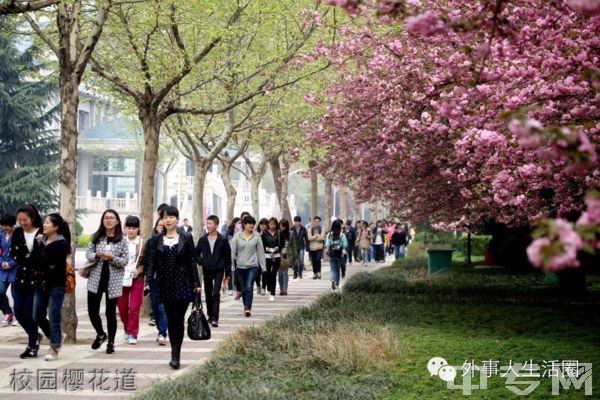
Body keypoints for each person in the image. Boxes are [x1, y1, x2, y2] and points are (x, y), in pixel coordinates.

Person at [145, 206, 201, 369]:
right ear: (161, 220)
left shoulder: (186, 237)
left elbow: (192, 261)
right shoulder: (156, 240)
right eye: (165, 217)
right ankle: (173, 352)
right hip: (165, 284)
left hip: (183, 284)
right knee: (171, 319)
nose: (168, 220)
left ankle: (176, 354)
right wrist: (148, 282)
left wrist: (196, 284)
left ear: (177, 219)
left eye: (171, 217)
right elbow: (152, 263)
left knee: (179, 319)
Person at [85, 209, 129, 355]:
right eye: (106, 218)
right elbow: (88, 254)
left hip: (113, 281)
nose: (108, 220)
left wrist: (112, 258)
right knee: (92, 311)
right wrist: (97, 255)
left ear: (117, 221)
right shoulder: (96, 237)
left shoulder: (122, 240)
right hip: (95, 279)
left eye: (111, 218)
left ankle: (111, 342)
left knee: (110, 313)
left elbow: (124, 261)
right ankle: (100, 334)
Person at [31, 213, 70, 361]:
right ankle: (58, 336)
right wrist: (39, 249)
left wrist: (40, 258)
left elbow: (48, 263)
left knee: (54, 316)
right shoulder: (41, 241)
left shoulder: (61, 243)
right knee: (37, 315)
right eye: (44, 222)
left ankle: (54, 347)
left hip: (56, 285)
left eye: (47, 223)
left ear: (56, 227)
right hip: (40, 284)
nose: (44, 225)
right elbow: (33, 260)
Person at [10, 204, 45, 358]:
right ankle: (35, 336)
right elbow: (13, 252)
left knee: (30, 313)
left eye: (25, 219)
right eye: (20, 220)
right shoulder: (17, 232)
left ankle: (32, 346)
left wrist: (29, 257)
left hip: (36, 280)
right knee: (18, 312)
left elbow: (45, 253)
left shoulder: (43, 232)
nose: (22, 223)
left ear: (33, 218)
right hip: (19, 279)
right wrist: (28, 257)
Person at [196, 215, 231, 328]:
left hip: (219, 270)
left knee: (216, 293)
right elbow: (195, 253)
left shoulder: (223, 240)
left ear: (216, 225)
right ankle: (210, 315)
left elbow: (227, 257)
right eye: (207, 223)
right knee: (208, 292)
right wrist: (202, 262)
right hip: (207, 269)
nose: (208, 225)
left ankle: (215, 318)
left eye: (210, 223)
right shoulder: (203, 239)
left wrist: (228, 274)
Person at [230, 215, 266, 317]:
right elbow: (232, 252)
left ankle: (247, 307)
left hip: (252, 266)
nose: (252, 225)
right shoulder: (237, 236)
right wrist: (232, 264)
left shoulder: (257, 236)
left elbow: (260, 252)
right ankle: (246, 305)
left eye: (253, 224)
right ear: (244, 225)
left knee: (249, 286)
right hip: (240, 266)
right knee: (243, 288)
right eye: (250, 223)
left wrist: (263, 267)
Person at [118, 216, 145, 345]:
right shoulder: (120, 242)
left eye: (134, 228)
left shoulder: (143, 243)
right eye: (128, 228)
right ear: (125, 228)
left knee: (134, 307)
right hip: (121, 278)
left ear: (138, 228)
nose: (131, 231)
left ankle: (133, 333)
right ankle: (127, 329)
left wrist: (139, 270)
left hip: (137, 278)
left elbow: (147, 261)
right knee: (122, 308)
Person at [145, 218, 169, 345]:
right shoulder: (152, 241)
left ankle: (162, 333)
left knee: (163, 307)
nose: (160, 227)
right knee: (155, 306)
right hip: (154, 278)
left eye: (162, 225)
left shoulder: (170, 241)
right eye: (158, 225)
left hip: (168, 279)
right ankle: (160, 329)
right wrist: (147, 280)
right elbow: (148, 261)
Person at [0, 213, 17, 327]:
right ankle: (8, 313)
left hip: (16, 269)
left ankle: (19, 316)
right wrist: (1, 262)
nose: (5, 228)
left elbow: (21, 253)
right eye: (3, 225)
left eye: (7, 226)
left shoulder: (18, 235)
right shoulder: (1, 234)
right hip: (2, 268)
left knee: (16, 295)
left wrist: (11, 264)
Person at [325, 220, 348, 291]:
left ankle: (332, 280)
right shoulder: (342, 235)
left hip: (332, 254)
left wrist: (328, 249)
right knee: (338, 269)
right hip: (340, 254)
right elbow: (345, 245)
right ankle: (337, 284)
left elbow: (327, 244)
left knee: (333, 269)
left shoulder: (329, 234)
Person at [261, 217, 280, 302]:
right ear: (268, 224)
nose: (272, 226)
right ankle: (268, 287)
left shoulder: (279, 233)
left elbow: (281, 244)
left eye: (274, 224)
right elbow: (262, 245)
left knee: (273, 275)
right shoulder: (264, 233)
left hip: (276, 256)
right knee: (267, 274)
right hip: (267, 256)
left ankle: (272, 293)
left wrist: (276, 248)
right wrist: (267, 249)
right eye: (271, 224)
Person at [278, 219, 297, 295]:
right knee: (279, 274)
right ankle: (281, 288)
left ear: (286, 226)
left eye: (283, 226)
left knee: (285, 273)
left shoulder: (291, 234)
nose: (282, 228)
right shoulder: (278, 234)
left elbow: (294, 245)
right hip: (279, 256)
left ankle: (285, 289)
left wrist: (296, 257)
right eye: (280, 226)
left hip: (288, 256)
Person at [225, 218, 241, 296]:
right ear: (234, 223)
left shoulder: (242, 232)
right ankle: (230, 288)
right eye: (239, 223)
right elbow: (228, 242)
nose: (240, 225)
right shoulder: (229, 231)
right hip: (230, 253)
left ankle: (236, 287)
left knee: (237, 272)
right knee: (231, 271)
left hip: (239, 254)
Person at [257, 218, 269, 295]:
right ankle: (258, 286)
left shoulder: (268, 234)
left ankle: (264, 288)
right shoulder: (256, 233)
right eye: (261, 224)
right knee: (257, 273)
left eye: (265, 224)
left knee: (264, 272)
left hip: (265, 255)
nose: (263, 226)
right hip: (256, 256)